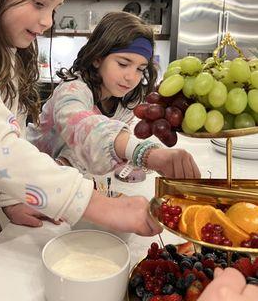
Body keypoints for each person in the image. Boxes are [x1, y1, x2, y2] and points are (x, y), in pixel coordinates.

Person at [0, 0, 162, 278]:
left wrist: (7, 200)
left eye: (54, 8)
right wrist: (97, 205)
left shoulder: (1, 53)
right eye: (39, 3)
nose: (49, 20)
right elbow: (0, 149)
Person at [15, 11, 201, 227]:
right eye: (123, 64)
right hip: (29, 187)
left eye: (140, 69)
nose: (131, 77)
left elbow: (88, 154)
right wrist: (145, 153)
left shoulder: (125, 100)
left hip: (67, 186)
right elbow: (85, 128)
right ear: (97, 58)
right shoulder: (73, 90)